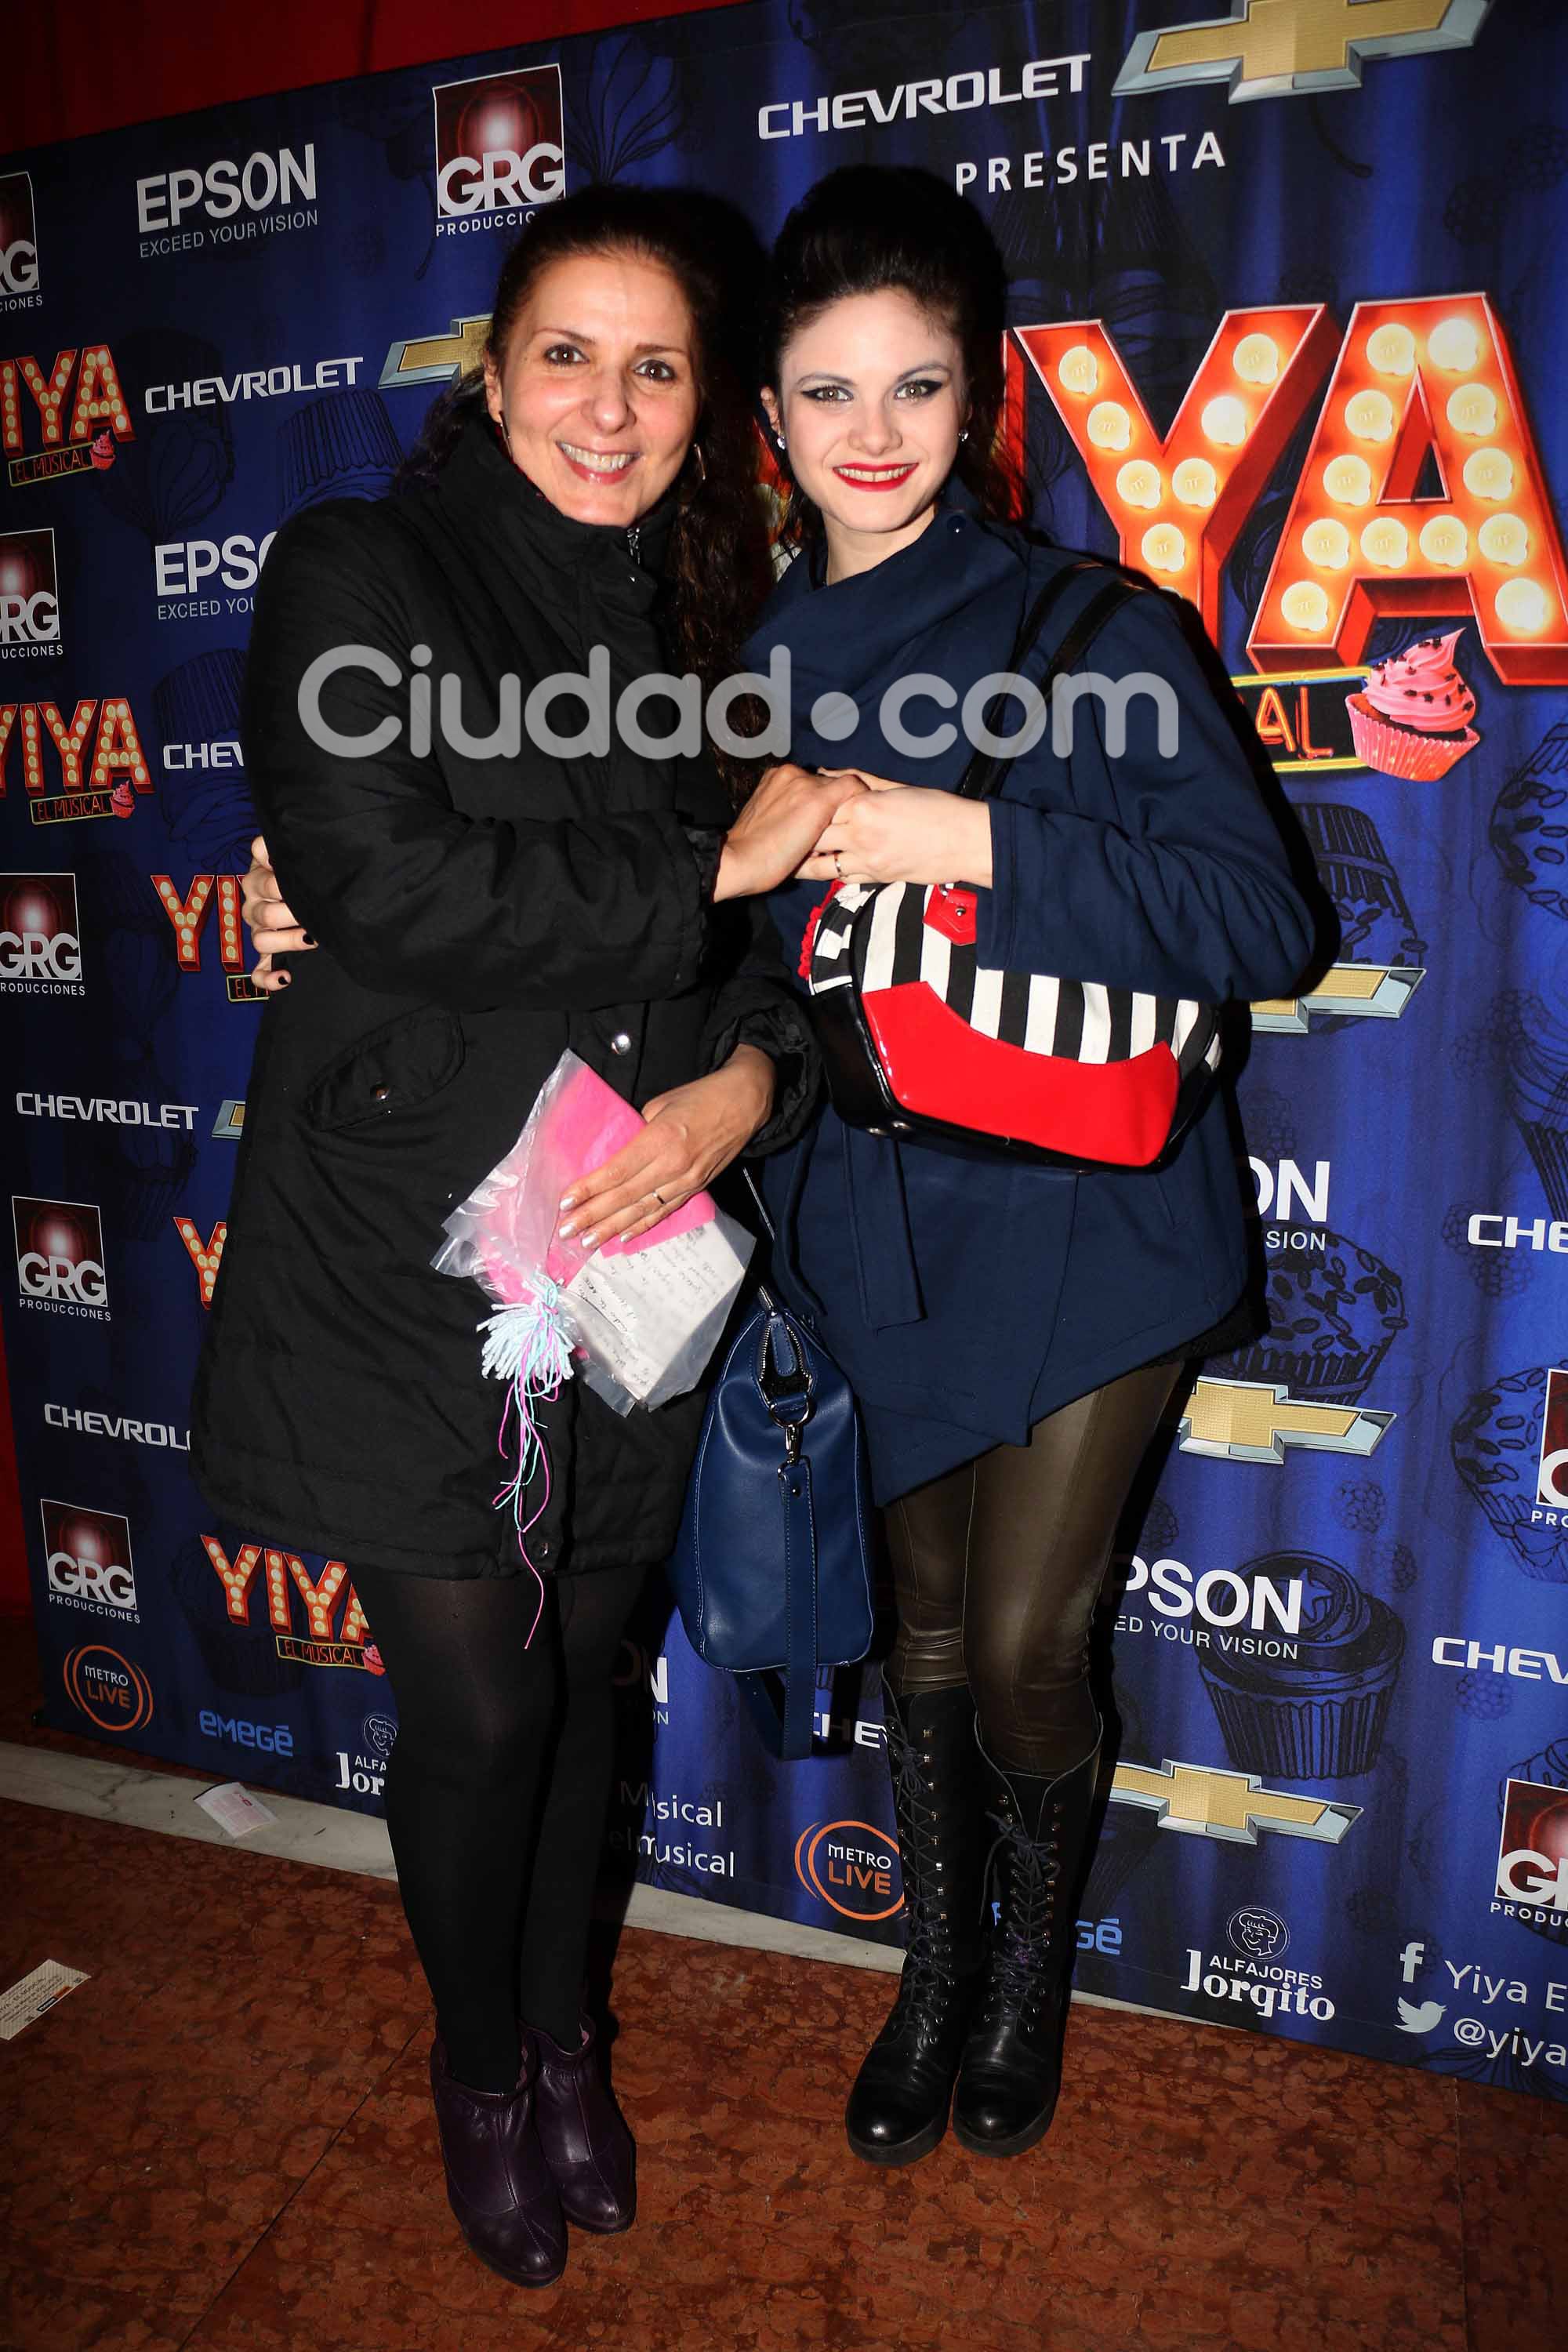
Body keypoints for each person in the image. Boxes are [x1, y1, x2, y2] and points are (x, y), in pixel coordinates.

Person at [191, 185, 855, 2290]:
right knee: (480, 1711)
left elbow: (765, 960)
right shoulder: (357, 571)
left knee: (582, 1677)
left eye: (659, 365)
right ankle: (481, 2064)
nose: (612, 399)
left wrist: (753, 1081)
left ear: (702, 413)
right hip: (406, 1248)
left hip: (629, 1234)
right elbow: (383, 881)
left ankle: (571, 2040)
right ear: (490, 378)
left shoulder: (702, 637)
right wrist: (692, 898)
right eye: (571, 351)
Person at [735, 165, 1316, 2166]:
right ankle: (928, 1983)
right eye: (827, 394)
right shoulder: (731, 663)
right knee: (909, 1640)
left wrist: (959, 839)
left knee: (1017, 1657)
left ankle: (1021, 1981)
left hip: (1090, 1216)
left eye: (915, 388)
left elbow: (1265, 930)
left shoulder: (1094, 625)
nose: (873, 438)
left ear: (978, 401)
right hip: (868, 1221)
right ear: (771, 420)